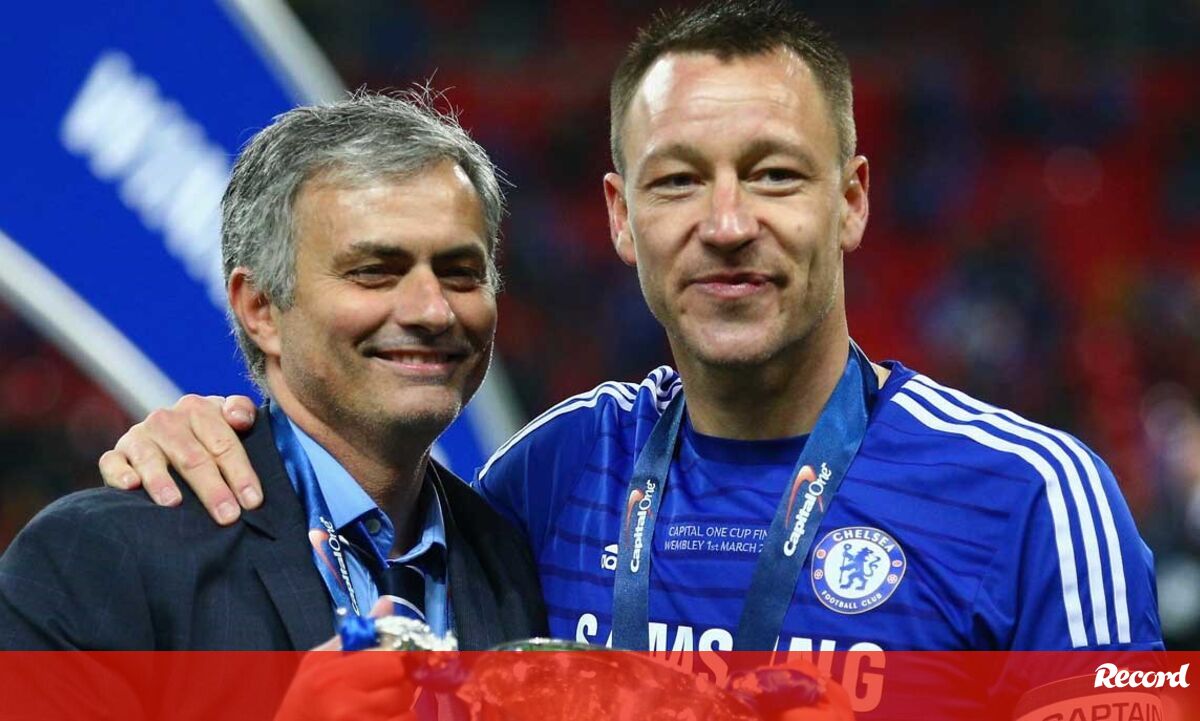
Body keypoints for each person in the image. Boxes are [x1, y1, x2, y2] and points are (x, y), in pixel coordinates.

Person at [94, 0, 1162, 714]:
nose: (728, 224)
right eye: (677, 180)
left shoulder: (1032, 495)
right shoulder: (549, 474)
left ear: (851, 199)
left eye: (776, 175)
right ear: (619, 215)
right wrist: (214, 432)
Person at [0, 92, 547, 650]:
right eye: (374, 272)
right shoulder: (103, 557)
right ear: (260, 308)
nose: (433, 311)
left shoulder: (522, 562)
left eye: (461, 273)